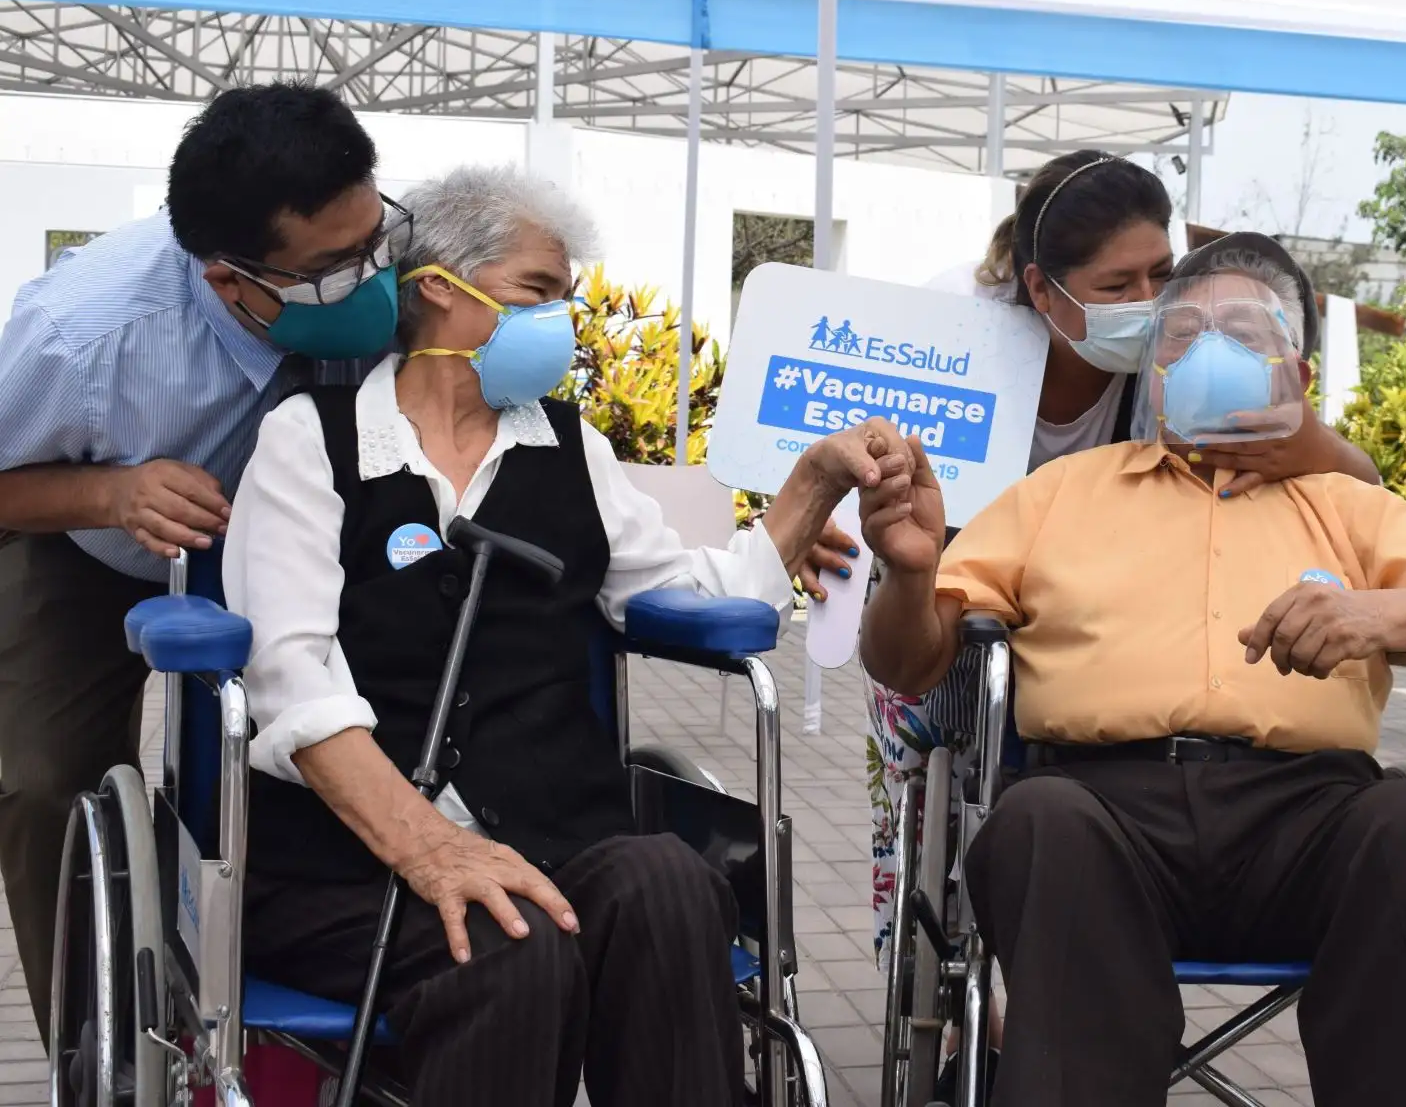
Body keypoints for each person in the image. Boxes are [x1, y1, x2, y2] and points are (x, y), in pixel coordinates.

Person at [223, 165, 910, 1107]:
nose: (562, 322)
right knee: (517, 948)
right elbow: (291, 678)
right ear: (437, 289)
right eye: (536, 293)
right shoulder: (313, 439)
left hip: (555, 833)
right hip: (348, 866)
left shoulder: (568, 444)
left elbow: (677, 592)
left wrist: (814, 484)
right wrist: (432, 847)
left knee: (671, 882)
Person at [857, 234, 1406, 1107]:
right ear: (1152, 378)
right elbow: (909, 662)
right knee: (1037, 818)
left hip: (1311, 816)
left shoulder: (1346, 504)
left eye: (1243, 334)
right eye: (1182, 334)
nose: (1208, 349)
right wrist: (911, 572)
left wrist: (1374, 615)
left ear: (1295, 379)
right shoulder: (1061, 492)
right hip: (1106, 816)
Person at [858, 151, 1384, 973]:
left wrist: (1303, 437)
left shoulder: (1188, 364)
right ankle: (960, 978)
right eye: (1115, 287)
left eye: (1161, 274)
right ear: (1041, 290)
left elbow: (1358, 499)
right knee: (959, 717)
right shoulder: (956, 333)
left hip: (1096, 619)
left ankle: (1065, 960)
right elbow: (850, 453)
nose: (1148, 304)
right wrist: (834, 520)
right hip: (957, 594)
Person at [0, 82, 401, 1039]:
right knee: (42, 779)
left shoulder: (358, 224)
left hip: (308, 555)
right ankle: (93, 1047)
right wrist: (108, 493)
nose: (374, 277)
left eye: (377, 238)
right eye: (339, 269)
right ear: (232, 281)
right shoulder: (81, 336)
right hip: (93, 549)